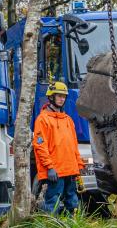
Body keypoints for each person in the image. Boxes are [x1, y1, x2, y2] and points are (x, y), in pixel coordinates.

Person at [33, 81, 84, 214]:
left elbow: (74, 145)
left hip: (70, 170)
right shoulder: (42, 119)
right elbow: (40, 146)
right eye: (59, 96)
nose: (62, 99)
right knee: (52, 203)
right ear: (51, 97)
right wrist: (50, 167)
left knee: (72, 203)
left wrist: (78, 166)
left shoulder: (68, 120)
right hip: (55, 172)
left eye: (64, 96)